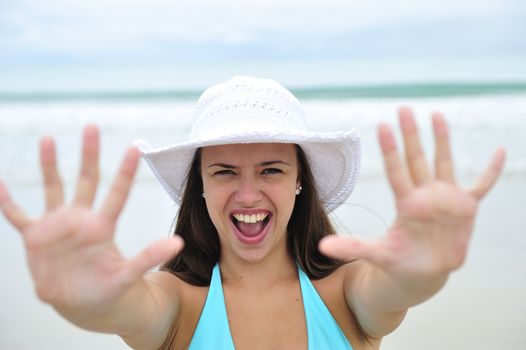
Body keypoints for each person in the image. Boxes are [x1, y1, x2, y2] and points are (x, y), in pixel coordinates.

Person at [0, 76, 505, 350]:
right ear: (198, 185)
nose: (247, 194)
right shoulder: (177, 302)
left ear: (300, 182)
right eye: (223, 172)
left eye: (271, 170)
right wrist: (84, 302)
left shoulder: (346, 292)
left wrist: (427, 270)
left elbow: (396, 289)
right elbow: (123, 308)